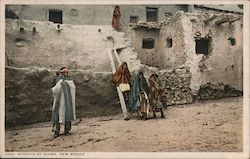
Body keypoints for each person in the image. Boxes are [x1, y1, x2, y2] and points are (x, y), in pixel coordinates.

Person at [51, 67, 76, 138]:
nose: (65, 73)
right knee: (57, 114)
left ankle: (66, 129)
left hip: (67, 100)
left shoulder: (69, 79)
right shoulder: (59, 79)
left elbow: (72, 87)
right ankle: (57, 130)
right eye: (64, 72)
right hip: (60, 100)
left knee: (66, 114)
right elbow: (56, 89)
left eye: (66, 72)